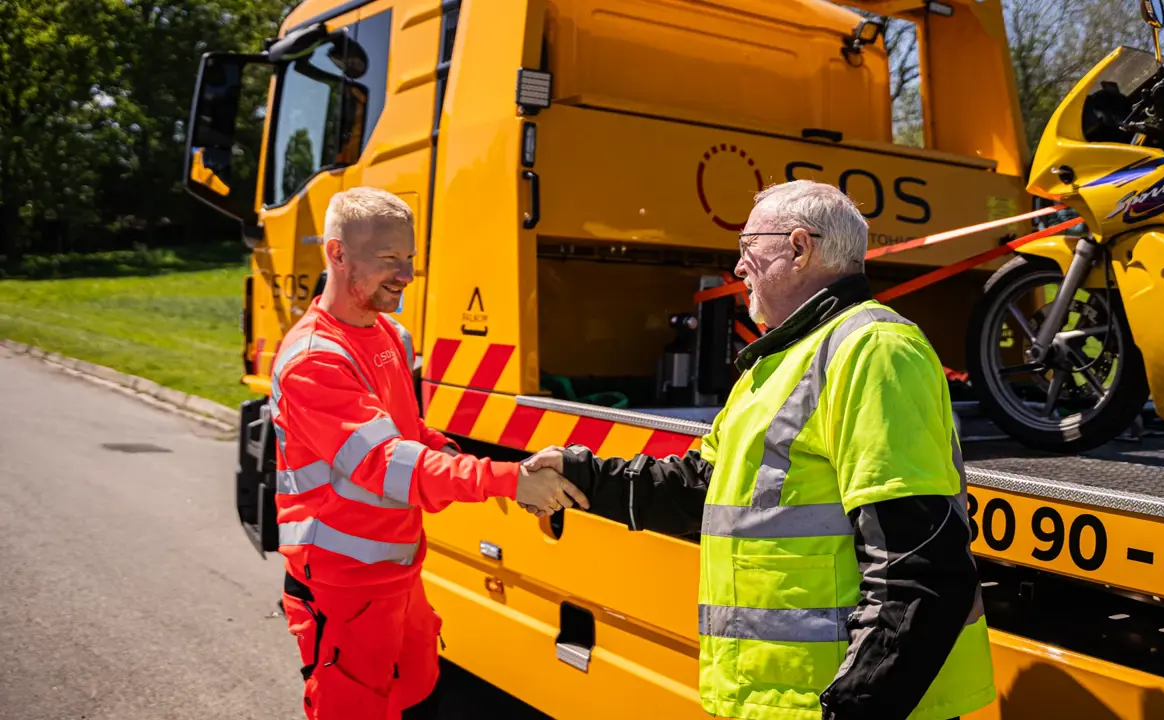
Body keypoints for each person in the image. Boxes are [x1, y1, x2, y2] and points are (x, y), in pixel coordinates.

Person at [525, 180, 995, 720]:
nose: (739, 266)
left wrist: (856, 707)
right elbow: (701, 488)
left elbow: (918, 566)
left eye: (748, 247)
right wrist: (580, 473)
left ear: (799, 248)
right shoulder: (779, 361)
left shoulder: (873, 350)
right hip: (783, 702)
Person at [270, 187, 587, 719]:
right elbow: (388, 464)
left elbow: (413, 434)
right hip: (342, 589)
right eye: (389, 258)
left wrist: (515, 471)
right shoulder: (313, 360)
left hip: (398, 577)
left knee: (420, 696)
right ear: (337, 253)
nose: (407, 274)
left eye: (411, 258)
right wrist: (507, 480)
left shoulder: (390, 335)